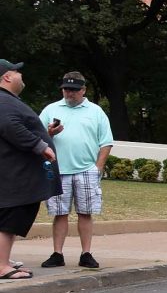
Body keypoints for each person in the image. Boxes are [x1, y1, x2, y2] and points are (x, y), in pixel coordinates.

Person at [38, 71, 112, 269]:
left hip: (87, 169)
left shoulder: (96, 112)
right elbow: (36, 138)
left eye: (74, 90)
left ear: (83, 90)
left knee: (85, 212)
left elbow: (106, 142)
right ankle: (57, 254)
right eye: (66, 89)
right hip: (58, 169)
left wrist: (98, 168)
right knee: (59, 213)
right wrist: (49, 133)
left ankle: (86, 253)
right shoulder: (50, 109)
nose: (69, 93)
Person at [0, 60, 63, 280]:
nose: (20, 75)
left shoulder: (6, 101)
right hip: (14, 176)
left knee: (11, 218)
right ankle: (1, 266)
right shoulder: (3, 101)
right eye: (17, 72)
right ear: (7, 77)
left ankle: (4, 262)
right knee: (9, 219)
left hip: (14, 174)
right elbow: (10, 126)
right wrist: (40, 145)